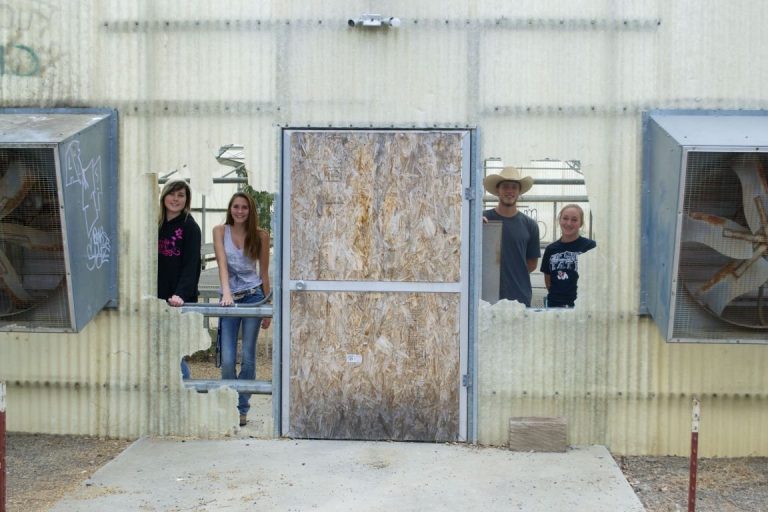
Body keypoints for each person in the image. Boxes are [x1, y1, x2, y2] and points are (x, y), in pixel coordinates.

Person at [213, 192, 271, 427]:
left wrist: (266, 304)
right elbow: (222, 265)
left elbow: (263, 273)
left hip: (253, 296)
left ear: (250, 211)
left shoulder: (260, 235)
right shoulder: (220, 231)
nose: (239, 211)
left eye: (244, 207)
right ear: (230, 209)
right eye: (236, 207)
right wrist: (226, 293)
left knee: (247, 357)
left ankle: (242, 408)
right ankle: (227, 405)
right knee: (227, 358)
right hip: (229, 297)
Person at [157, 179, 202, 379]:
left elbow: (191, 266)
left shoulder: (190, 227)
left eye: (181, 195)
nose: (175, 199)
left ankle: (184, 390)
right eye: (172, 194)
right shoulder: (155, 224)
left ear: (187, 200)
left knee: (174, 352)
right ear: (164, 196)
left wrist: (180, 294)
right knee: (158, 351)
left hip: (177, 300)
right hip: (156, 298)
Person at [482, 166, 540, 306]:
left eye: (514, 187)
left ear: (519, 191)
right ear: (498, 190)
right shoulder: (483, 220)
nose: (509, 191)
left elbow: (532, 264)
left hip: (519, 296)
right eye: (505, 187)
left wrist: (513, 271)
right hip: (487, 296)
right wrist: (476, 227)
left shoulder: (530, 225)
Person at [540, 204, 596, 308]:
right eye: (565, 218)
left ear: (581, 223)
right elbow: (548, 279)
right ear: (559, 220)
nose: (568, 223)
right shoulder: (551, 249)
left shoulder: (590, 246)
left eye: (574, 220)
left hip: (582, 306)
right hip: (555, 305)